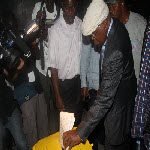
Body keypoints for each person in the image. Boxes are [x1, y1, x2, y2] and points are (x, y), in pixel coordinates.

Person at [63, 0, 137, 149]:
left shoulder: (114, 52)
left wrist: (79, 133)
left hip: (119, 113)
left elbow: (105, 100)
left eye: (94, 33)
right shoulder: (115, 24)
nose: (93, 39)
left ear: (104, 23)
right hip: (122, 99)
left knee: (114, 143)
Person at [47, 0, 83, 126]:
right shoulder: (55, 30)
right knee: (66, 125)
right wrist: (57, 97)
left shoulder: (80, 24)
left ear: (76, 6)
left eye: (72, 7)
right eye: (67, 8)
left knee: (78, 121)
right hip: (63, 86)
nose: (69, 11)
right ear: (62, 6)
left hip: (78, 84)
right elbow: (53, 67)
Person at [32, 0, 62, 134]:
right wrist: (37, 24)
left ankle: (57, 132)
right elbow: (31, 35)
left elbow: (62, 42)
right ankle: (46, 134)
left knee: (58, 102)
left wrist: (48, 39)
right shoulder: (38, 7)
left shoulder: (61, 11)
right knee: (45, 104)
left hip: (57, 66)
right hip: (42, 67)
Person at [104, 0, 147, 83]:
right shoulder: (112, 25)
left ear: (122, 3)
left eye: (114, 6)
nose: (111, 10)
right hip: (121, 85)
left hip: (138, 84)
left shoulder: (139, 24)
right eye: (109, 6)